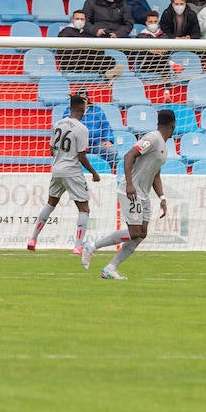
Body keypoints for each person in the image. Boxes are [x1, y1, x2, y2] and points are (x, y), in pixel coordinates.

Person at [80, 109, 173, 280]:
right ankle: (91, 246)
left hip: (143, 194)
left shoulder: (163, 147)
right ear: (173, 125)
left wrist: (162, 197)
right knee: (134, 231)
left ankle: (110, 268)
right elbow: (129, 155)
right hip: (130, 191)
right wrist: (130, 184)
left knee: (141, 233)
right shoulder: (153, 138)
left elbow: (155, 174)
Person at [27, 94, 101, 253]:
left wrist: (61, 159)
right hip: (72, 170)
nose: (87, 107)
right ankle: (78, 246)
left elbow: (51, 150)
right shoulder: (82, 129)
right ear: (81, 107)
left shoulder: (58, 124)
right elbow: (81, 156)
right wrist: (94, 173)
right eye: (86, 105)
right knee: (84, 208)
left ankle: (33, 238)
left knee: (50, 203)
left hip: (56, 169)